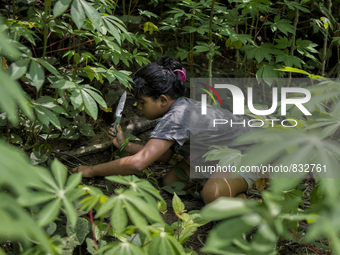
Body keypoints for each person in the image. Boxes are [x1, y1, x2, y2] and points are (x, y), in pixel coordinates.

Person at [73, 57, 257, 204]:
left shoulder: (177, 117)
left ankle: (248, 204)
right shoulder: (178, 109)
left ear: (162, 100)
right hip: (215, 157)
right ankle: (226, 190)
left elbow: (138, 163)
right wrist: (124, 144)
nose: (138, 107)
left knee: (212, 195)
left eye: (142, 102)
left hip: (248, 154)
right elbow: (164, 156)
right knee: (172, 183)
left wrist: (91, 170)